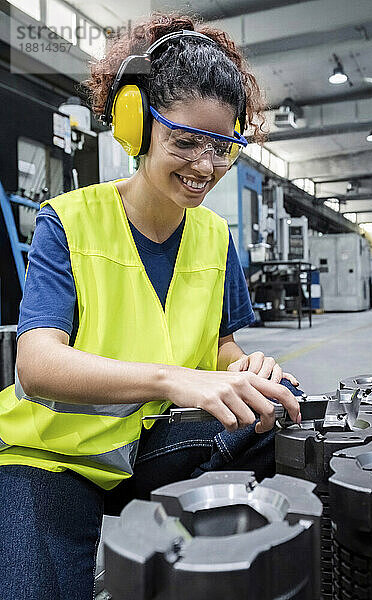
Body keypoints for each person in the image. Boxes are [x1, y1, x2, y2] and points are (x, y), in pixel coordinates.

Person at [0, 13, 302, 600]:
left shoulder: (215, 236)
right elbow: (35, 366)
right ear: (136, 128)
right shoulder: (68, 222)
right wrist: (174, 381)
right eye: (185, 143)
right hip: (52, 457)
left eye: (223, 147)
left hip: (153, 443)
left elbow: (220, 345)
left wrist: (244, 369)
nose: (205, 168)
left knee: (284, 408)